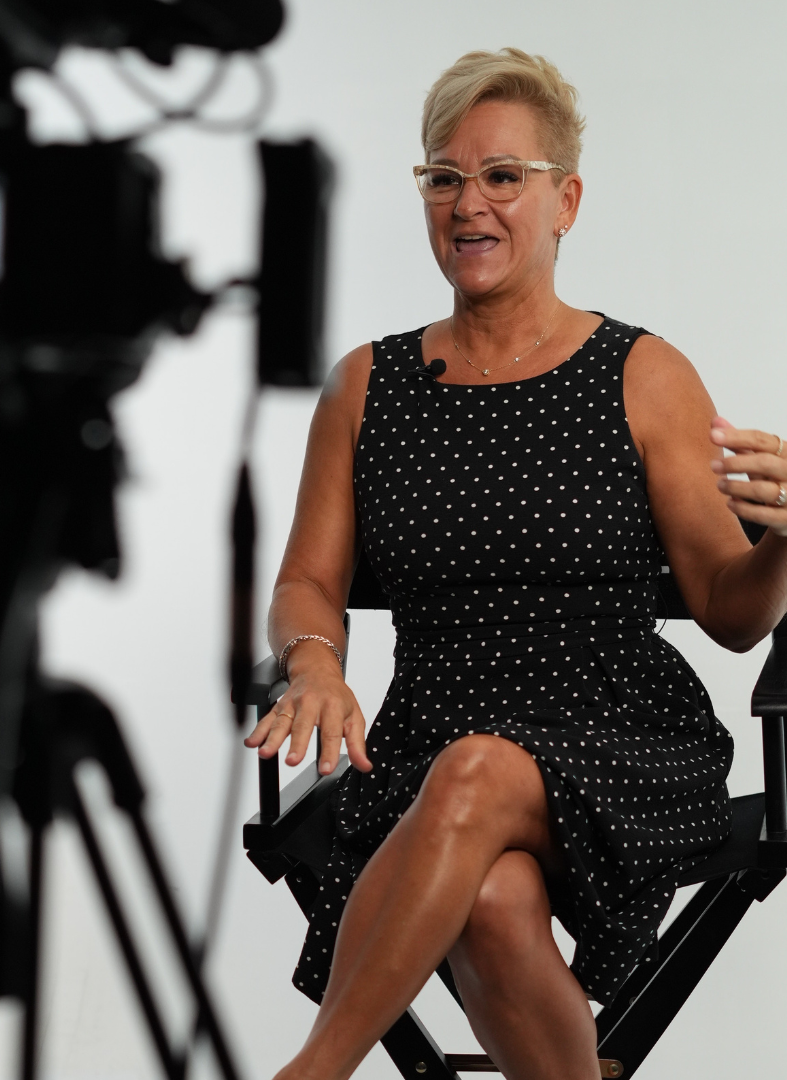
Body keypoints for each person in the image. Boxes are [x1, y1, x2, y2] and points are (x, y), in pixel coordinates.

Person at [245, 47, 787, 1080]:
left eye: (503, 176)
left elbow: (731, 610)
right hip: (429, 736)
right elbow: (308, 582)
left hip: (622, 737)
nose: (468, 203)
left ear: (565, 199)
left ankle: (307, 1074)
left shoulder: (641, 372)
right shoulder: (367, 386)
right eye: (442, 177)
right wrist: (315, 660)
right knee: (489, 896)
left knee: (478, 770)